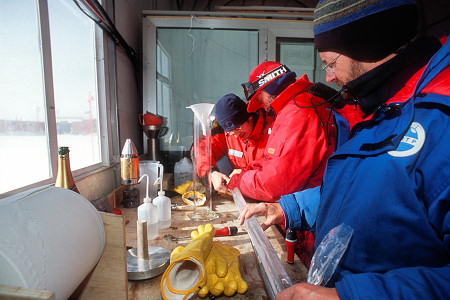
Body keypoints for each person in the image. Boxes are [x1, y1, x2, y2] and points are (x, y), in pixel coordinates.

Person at [238, 0, 450, 299]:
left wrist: (348, 295)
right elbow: (362, 190)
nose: (329, 77)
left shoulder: (439, 118)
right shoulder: (381, 108)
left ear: (366, 44)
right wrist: (290, 207)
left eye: (330, 62)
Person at [227, 62, 337, 202]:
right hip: (312, 203)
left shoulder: (298, 112)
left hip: (310, 212)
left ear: (271, 87)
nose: (263, 106)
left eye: (260, 99)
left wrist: (238, 181)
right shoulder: (300, 104)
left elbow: (275, 186)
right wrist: (246, 170)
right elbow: (274, 161)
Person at [195, 93, 274, 194]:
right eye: (229, 132)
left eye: (237, 129)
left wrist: (247, 173)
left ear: (249, 119)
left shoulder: (274, 128)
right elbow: (201, 148)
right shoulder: (227, 133)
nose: (235, 135)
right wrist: (211, 172)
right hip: (242, 195)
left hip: (273, 197)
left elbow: (280, 167)